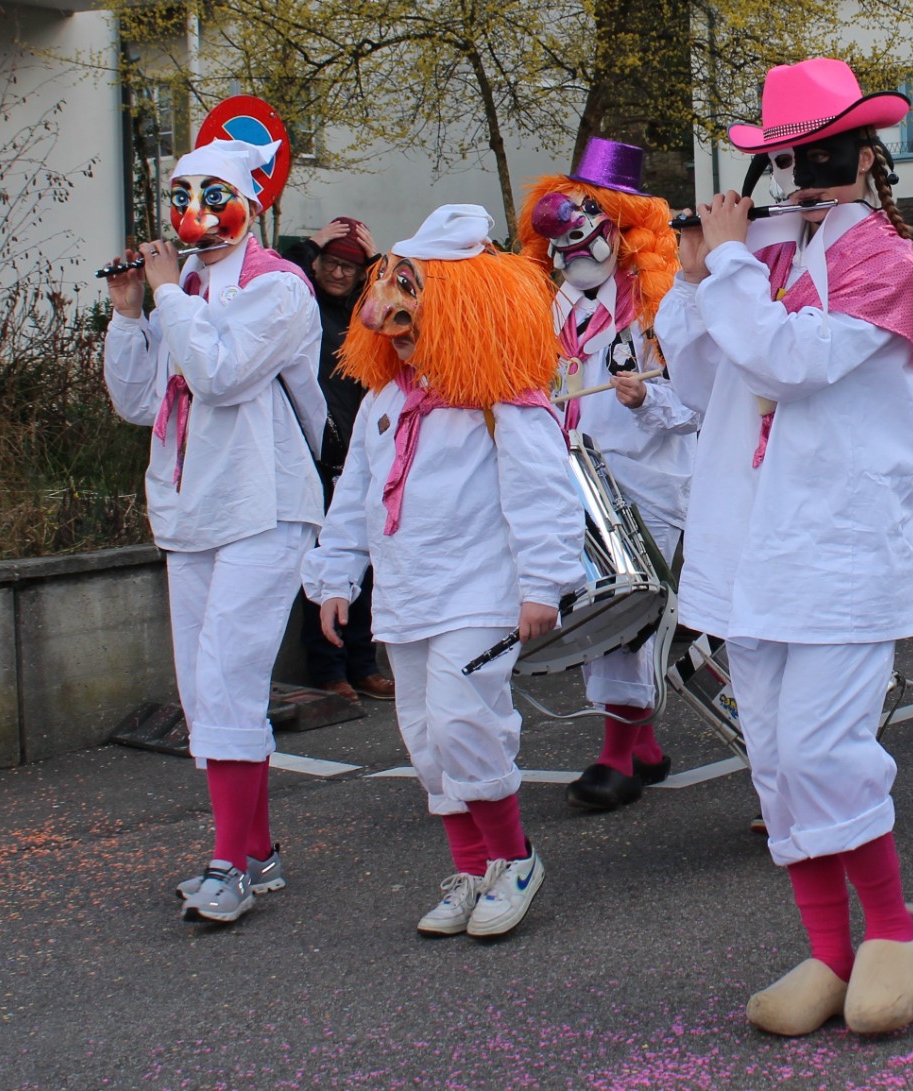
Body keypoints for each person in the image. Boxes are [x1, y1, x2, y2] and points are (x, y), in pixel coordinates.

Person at [655, 57, 913, 1038]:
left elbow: (788, 359)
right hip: (752, 547)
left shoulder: (887, 262)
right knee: (775, 758)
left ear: (862, 156)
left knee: (825, 748)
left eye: (819, 155)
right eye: (785, 159)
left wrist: (731, 267)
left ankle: (894, 928)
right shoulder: (759, 255)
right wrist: (693, 275)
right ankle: (828, 949)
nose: (799, 177)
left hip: (838, 547)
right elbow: (699, 383)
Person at [304, 204, 584, 939]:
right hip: (407, 593)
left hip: (479, 589)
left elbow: (542, 492)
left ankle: (514, 858)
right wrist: (337, 574)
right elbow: (355, 494)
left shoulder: (503, 398)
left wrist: (543, 583)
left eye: (413, 295)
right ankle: (472, 866)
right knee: (425, 735)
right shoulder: (384, 401)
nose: (393, 318)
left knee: (465, 720)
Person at [103, 137, 328, 924]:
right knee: (204, 690)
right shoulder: (187, 286)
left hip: (264, 503)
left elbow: (219, 373)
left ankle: (229, 863)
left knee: (229, 677)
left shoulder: (280, 287)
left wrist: (168, 294)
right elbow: (140, 402)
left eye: (211, 195)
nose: (193, 213)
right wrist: (130, 311)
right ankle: (256, 849)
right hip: (192, 506)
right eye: (180, 196)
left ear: (250, 206)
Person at [516, 140, 695, 813]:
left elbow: (701, 402)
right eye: (558, 241)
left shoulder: (659, 309)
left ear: (623, 232)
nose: (572, 253)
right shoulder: (548, 312)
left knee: (626, 614)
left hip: (645, 483)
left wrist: (648, 399)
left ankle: (618, 754)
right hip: (573, 484)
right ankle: (639, 745)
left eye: (587, 233)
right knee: (597, 612)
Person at [279, 216, 393, 704]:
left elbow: (399, 299)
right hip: (314, 454)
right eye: (331, 262)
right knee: (325, 561)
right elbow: (278, 279)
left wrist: (376, 262)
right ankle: (329, 669)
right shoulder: (303, 307)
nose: (339, 273)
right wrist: (310, 245)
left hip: (360, 450)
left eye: (350, 267)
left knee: (364, 560)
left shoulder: (361, 316)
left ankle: (363, 664)